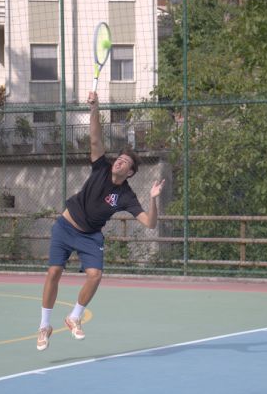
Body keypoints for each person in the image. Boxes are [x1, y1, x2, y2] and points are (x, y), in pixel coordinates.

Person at [37, 91, 165, 351]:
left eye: (125, 162)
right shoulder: (101, 168)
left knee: (95, 275)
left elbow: (150, 223)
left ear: (130, 172)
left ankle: (74, 318)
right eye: (119, 158)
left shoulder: (126, 196)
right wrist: (94, 108)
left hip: (90, 235)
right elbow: (95, 138)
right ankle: (44, 326)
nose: (119, 162)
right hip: (65, 226)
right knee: (54, 272)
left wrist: (153, 199)